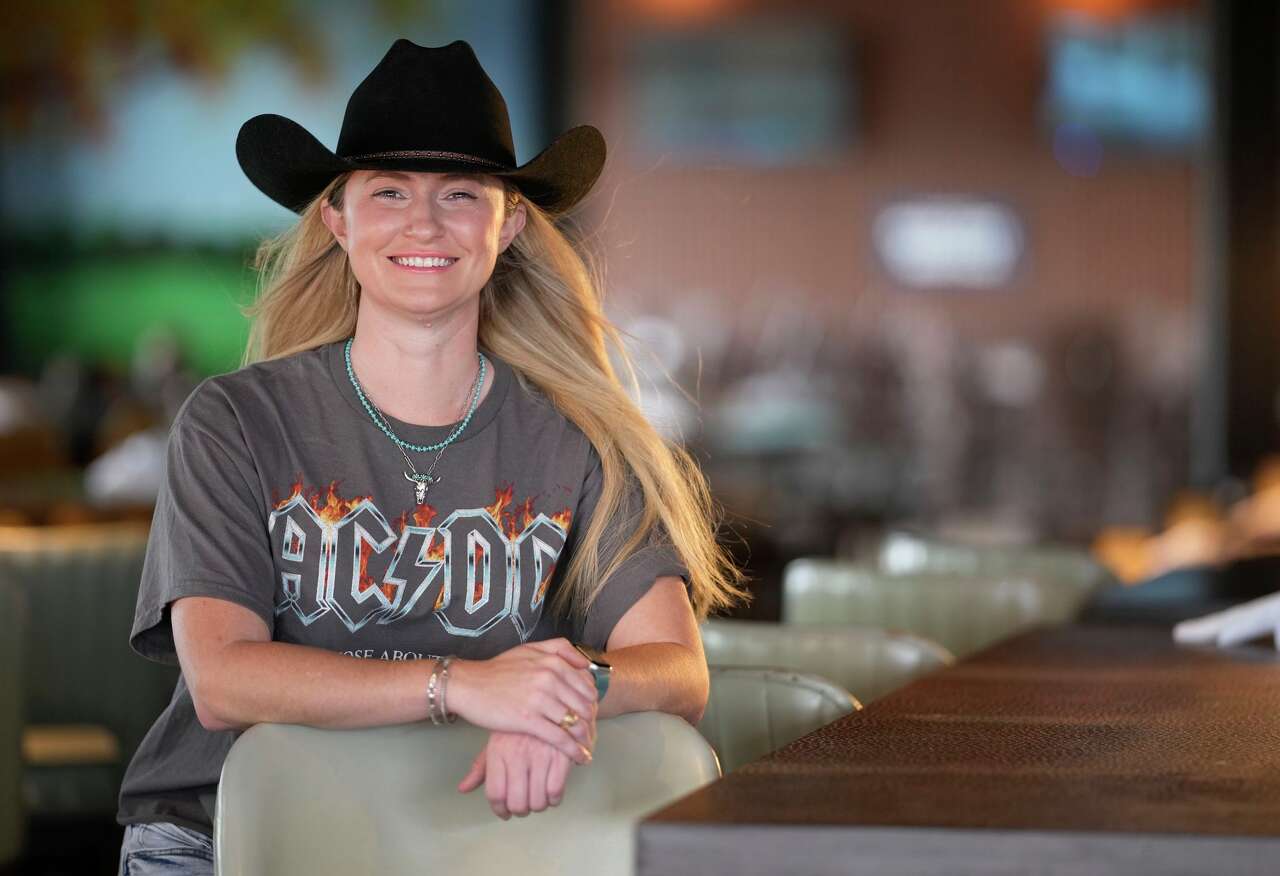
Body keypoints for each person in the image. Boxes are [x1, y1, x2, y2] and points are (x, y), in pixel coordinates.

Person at [115, 38, 746, 874]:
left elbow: (677, 671)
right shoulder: (234, 421)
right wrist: (463, 684)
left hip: (463, 839)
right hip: (218, 834)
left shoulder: (583, 439)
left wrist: (561, 694)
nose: (423, 223)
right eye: (387, 191)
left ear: (509, 223)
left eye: (459, 192)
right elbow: (227, 679)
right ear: (337, 219)